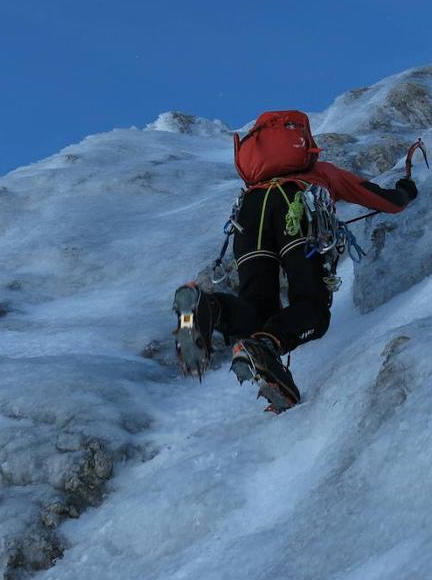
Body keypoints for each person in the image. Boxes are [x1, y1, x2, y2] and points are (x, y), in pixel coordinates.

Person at [173, 110, 417, 412]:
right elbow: (388, 203)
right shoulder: (322, 172)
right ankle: (267, 345)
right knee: (312, 307)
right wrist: (405, 190)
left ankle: (210, 307)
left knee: (257, 309)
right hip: (297, 206)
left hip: (248, 215)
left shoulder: (254, 186)